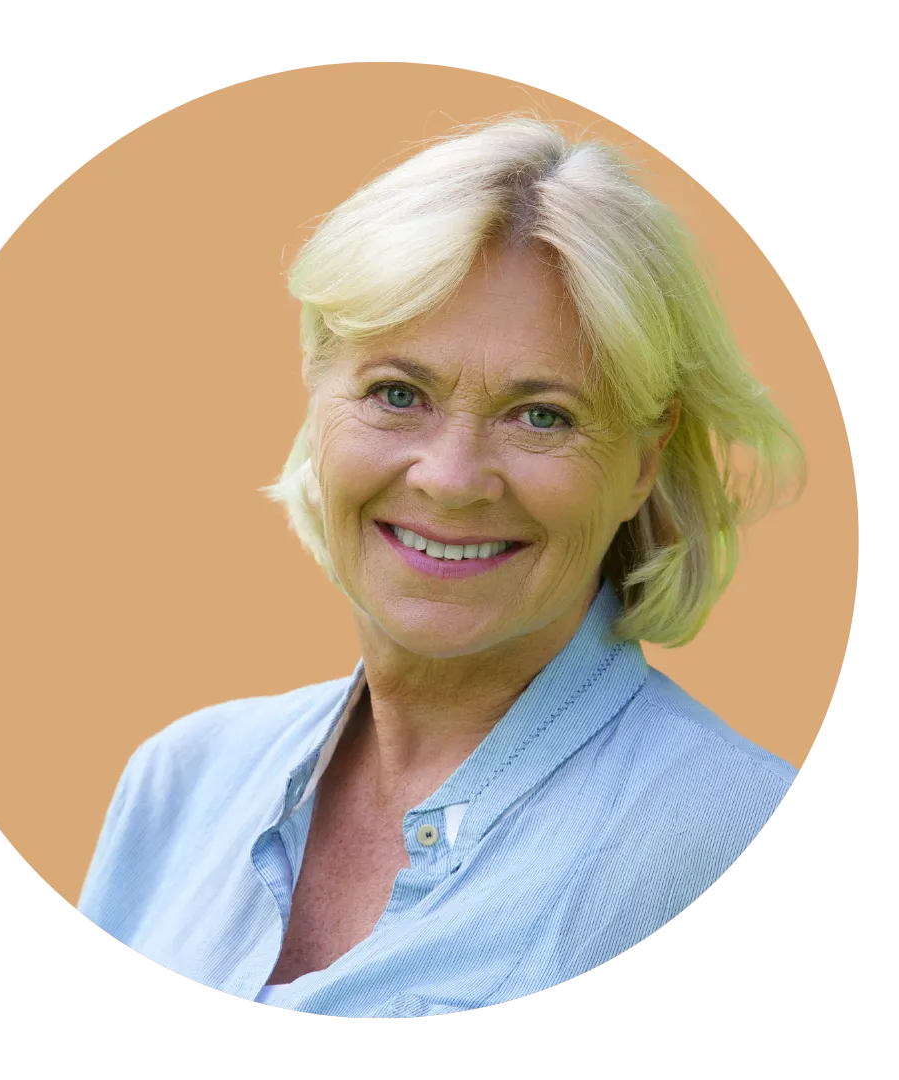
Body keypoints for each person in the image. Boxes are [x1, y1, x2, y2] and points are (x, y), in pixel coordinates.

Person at [77, 115, 806, 1017]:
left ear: (643, 462)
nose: (452, 479)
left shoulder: (730, 833)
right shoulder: (181, 784)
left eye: (541, 415)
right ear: (315, 391)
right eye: (398, 393)